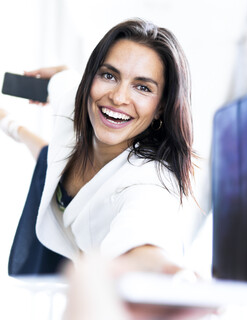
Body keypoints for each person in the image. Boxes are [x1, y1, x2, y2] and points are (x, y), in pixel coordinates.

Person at [7, 18, 198, 278]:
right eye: (109, 75)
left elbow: (145, 241)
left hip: (78, 279)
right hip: (52, 236)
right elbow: (64, 85)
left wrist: (170, 272)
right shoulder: (75, 104)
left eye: (143, 87)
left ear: (161, 108)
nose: (118, 98)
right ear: (89, 80)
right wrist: (8, 123)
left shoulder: (149, 182)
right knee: (47, 158)